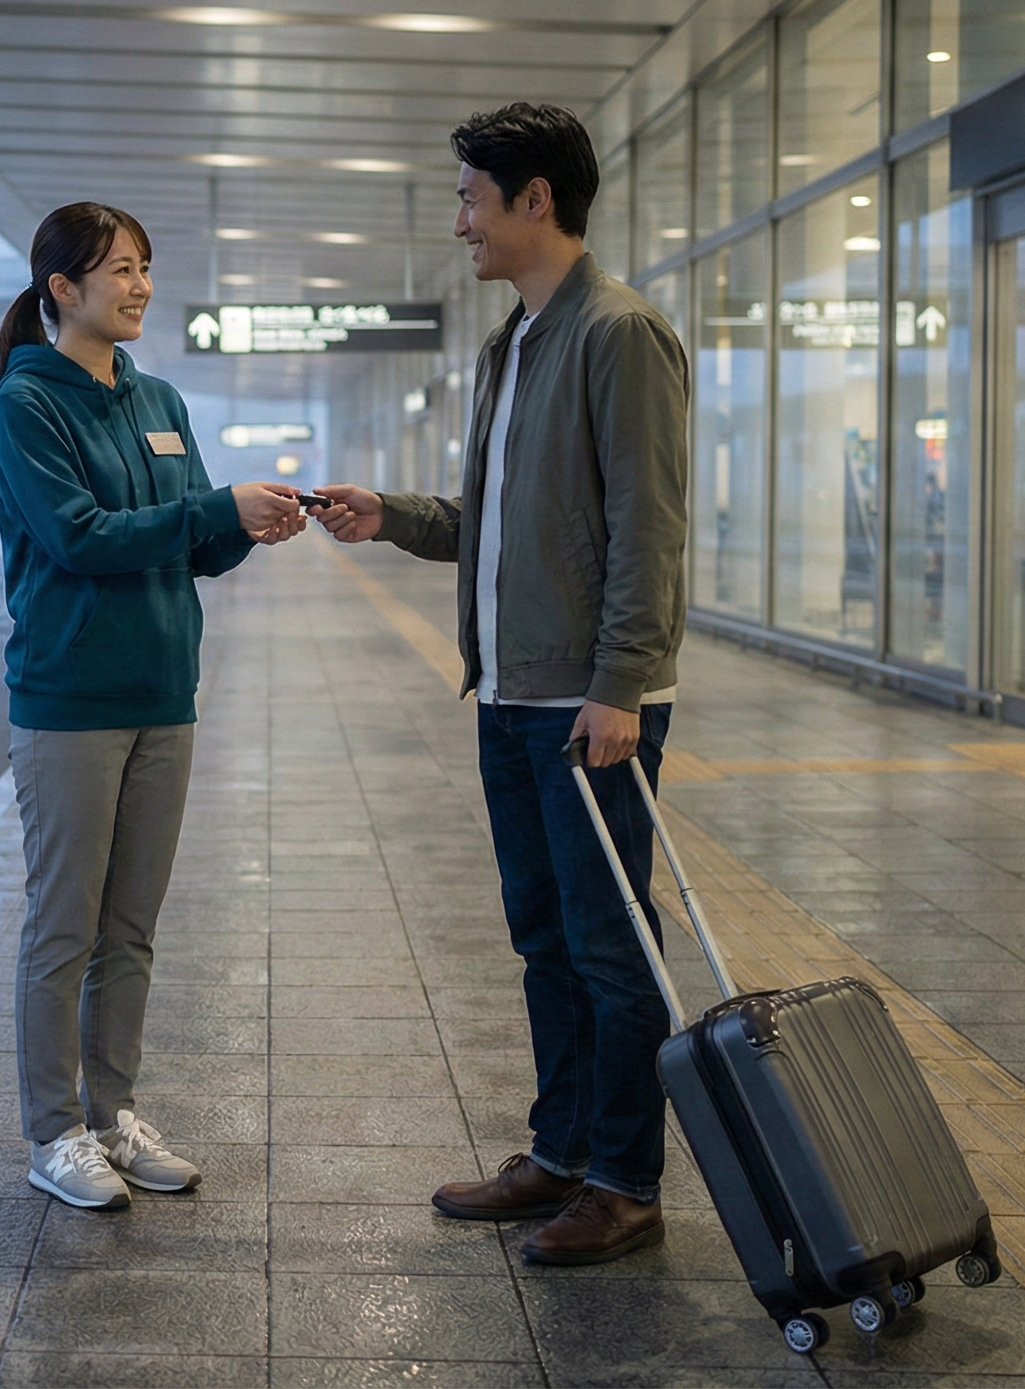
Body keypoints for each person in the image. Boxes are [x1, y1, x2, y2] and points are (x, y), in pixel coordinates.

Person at [314, 103, 690, 1265]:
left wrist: (620, 683)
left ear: (536, 200)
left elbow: (646, 528)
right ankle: (561, 1153)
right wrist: (398, 518)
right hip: (510, 697)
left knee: (608, 946)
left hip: (586, 704)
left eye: (472, 196)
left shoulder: (616, 334)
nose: (458, 219)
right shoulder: (510, 343)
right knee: (543, 939)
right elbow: (508, 523)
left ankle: (624, 1180)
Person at [0, 201, 308, 1211]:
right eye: (117, 270)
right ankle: (54, 1132)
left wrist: (254, 519)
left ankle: (112, 1116)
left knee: (129, 927)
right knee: (62, 929)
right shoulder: (25, 407)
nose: (138, 287)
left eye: (142, 268)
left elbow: (197, 544)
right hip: (69, 702)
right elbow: (79, 535)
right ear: (62, 291)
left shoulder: (157, 397)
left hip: (163, 697)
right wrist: (209, 512)